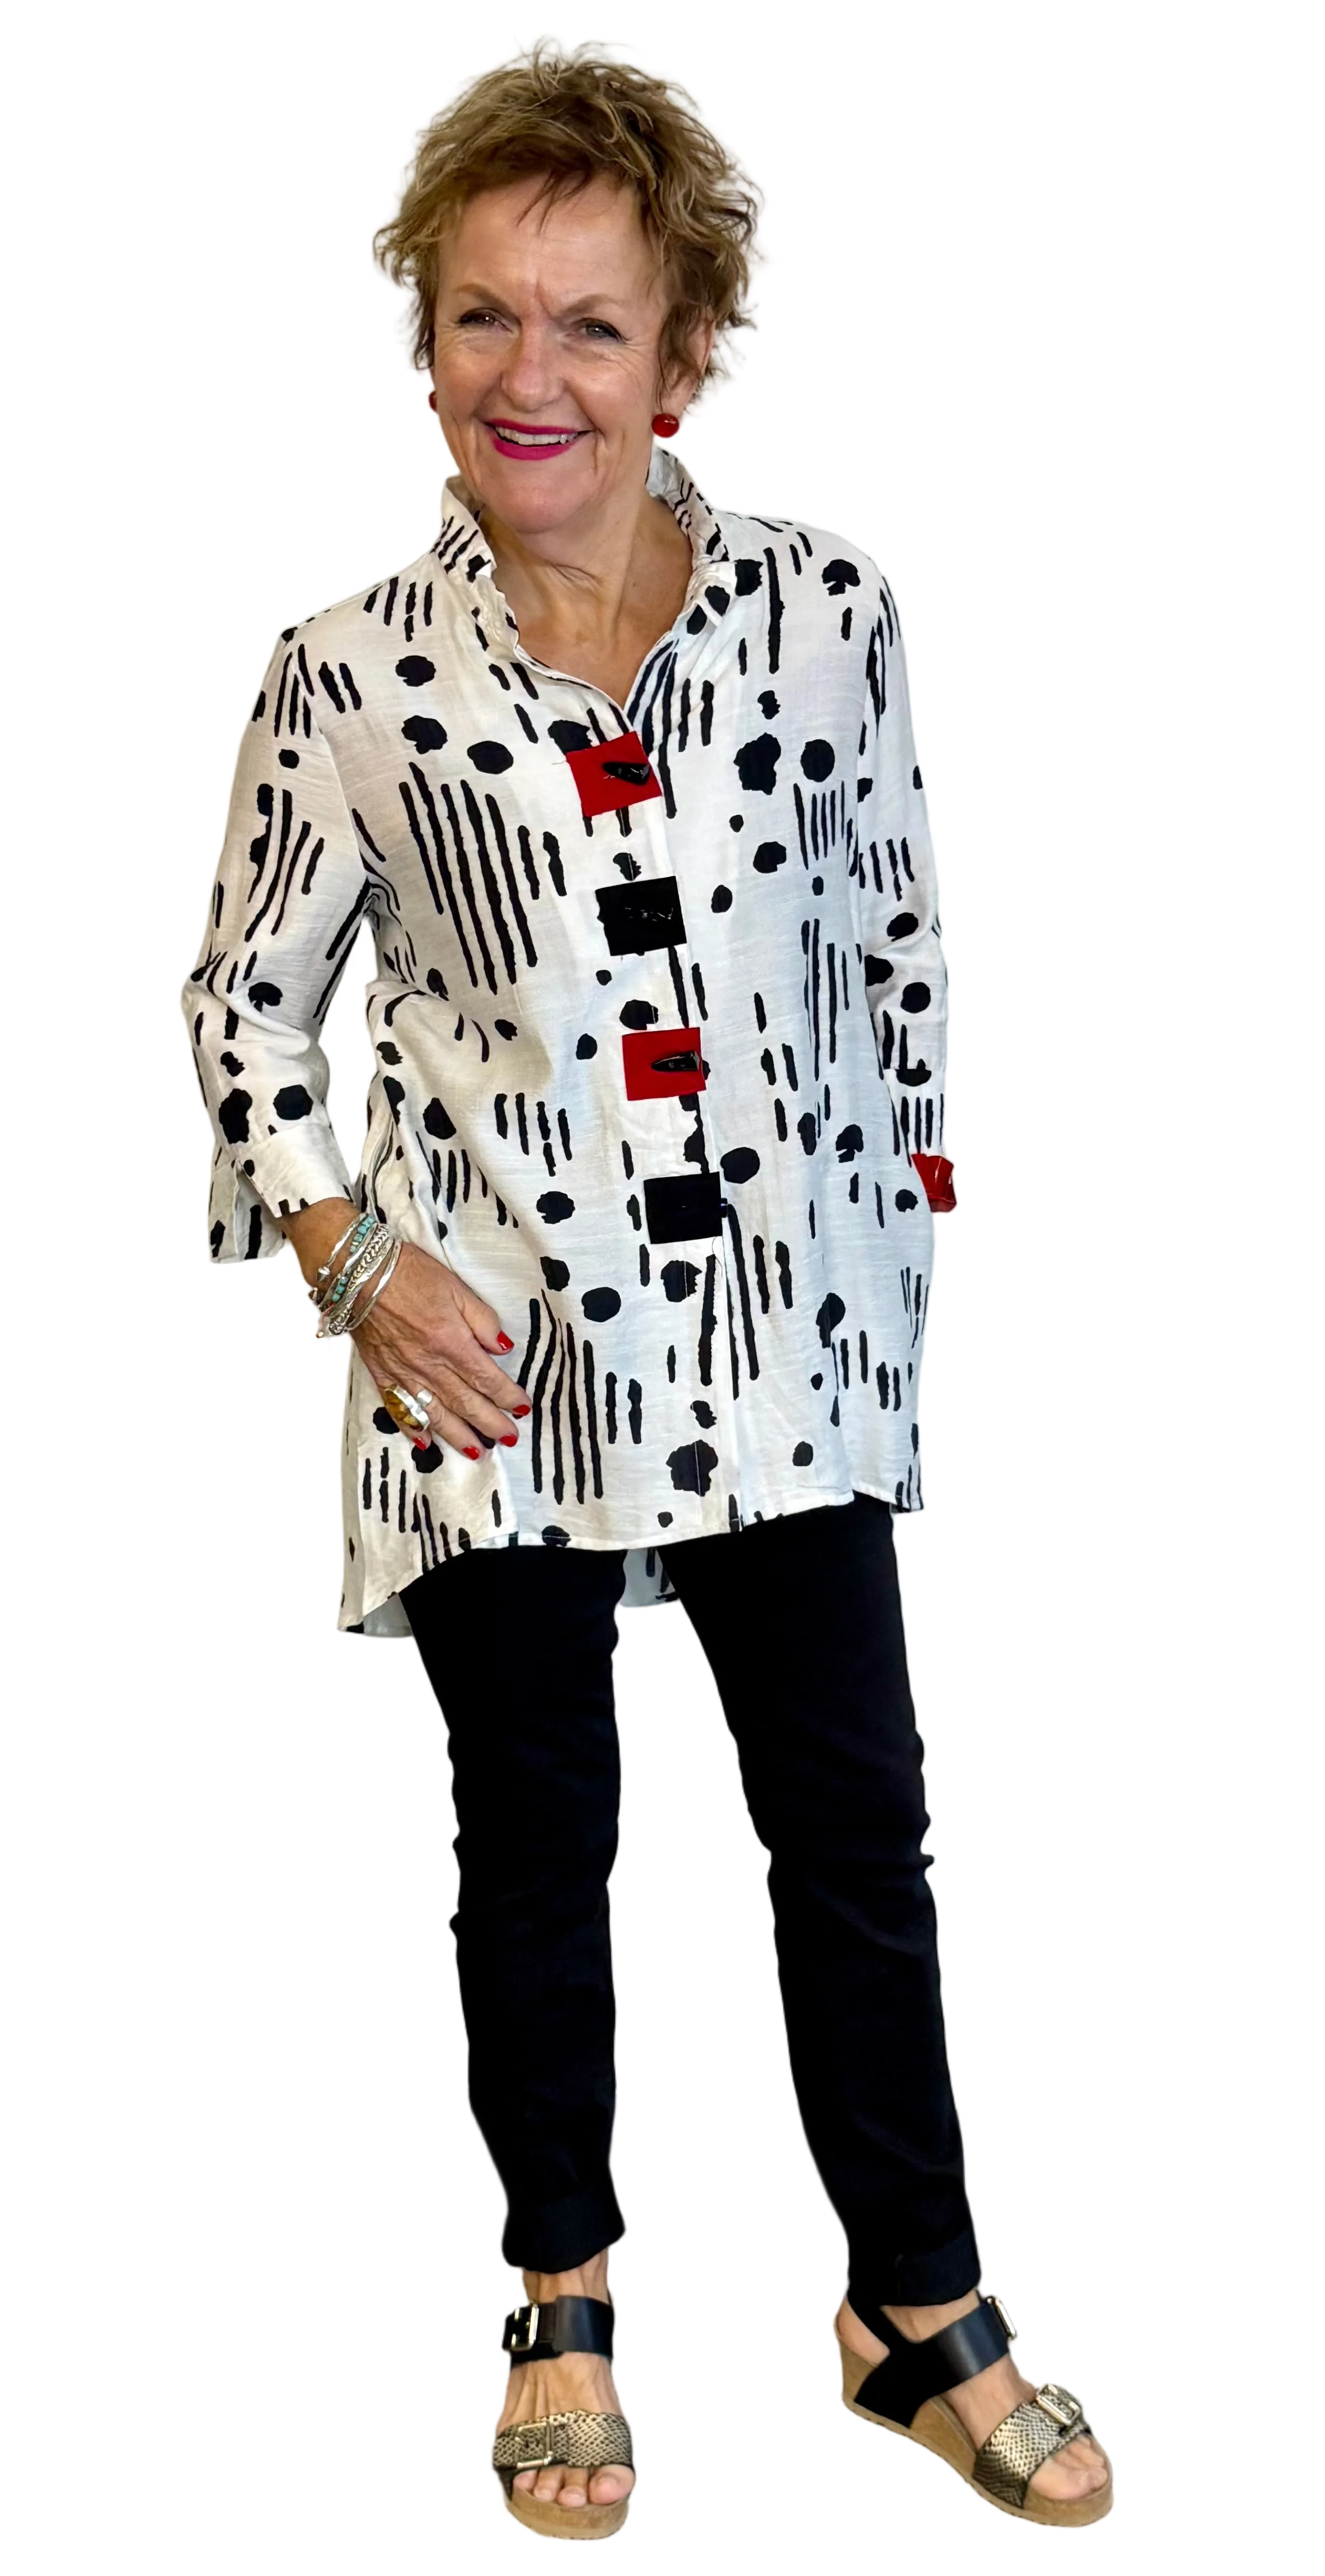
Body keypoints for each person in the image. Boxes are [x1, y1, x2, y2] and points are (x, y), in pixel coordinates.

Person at [181, 42, 1111, 2541]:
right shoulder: (345, 675)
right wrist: (355, 1266)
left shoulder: (824, 613)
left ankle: (911, 2309)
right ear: (424, 346)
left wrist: (881, 1294)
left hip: (785, 1362)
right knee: (536, 1847)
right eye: (482, 317)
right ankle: (563, 2304)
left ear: (680, 354)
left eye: (589, 324)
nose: (532, 376)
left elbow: (895, 949)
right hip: (494, 1380)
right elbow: (245, 1009)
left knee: (856, 1830)